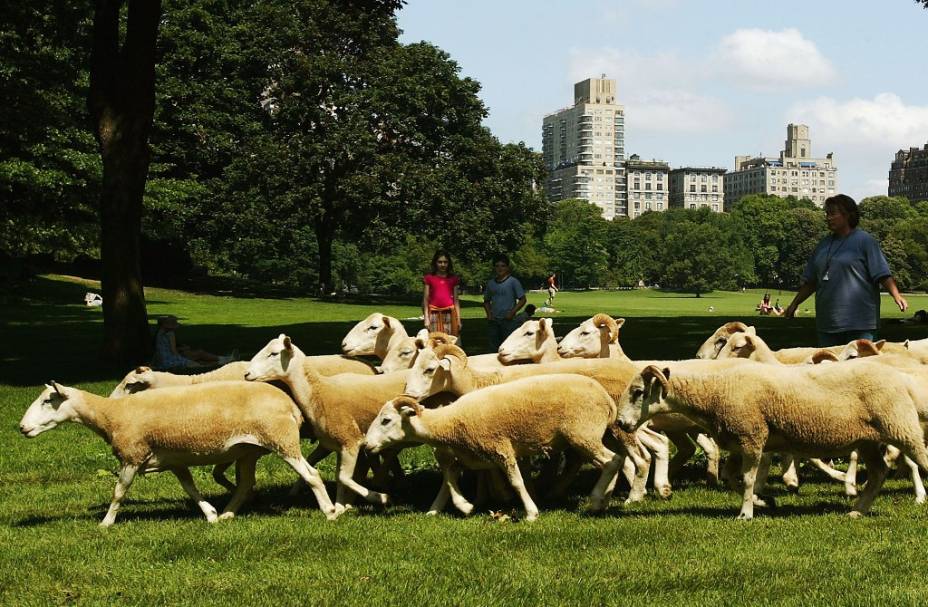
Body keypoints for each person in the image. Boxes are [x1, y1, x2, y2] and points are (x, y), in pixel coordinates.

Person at [784, 194, 908, 346]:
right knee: (829, 369)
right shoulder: (822, 245)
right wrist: (794, 304)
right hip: (827, 324)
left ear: (848, 215)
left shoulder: (865, 241)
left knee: (860, 369)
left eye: (833, 213)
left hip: (861, 324)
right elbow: (811, 282)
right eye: (827, 214)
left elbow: (882, 274)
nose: (828, 218)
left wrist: (897, 296)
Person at [483, 254, 526, 352]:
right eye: (497, 266)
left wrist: (512, 312)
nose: (500, 268)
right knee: (493, 348)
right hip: (494, 321)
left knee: (508, 347)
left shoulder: (513, 282)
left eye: (503, 266)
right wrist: (489, 314)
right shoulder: (491, 283)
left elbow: (523, 299)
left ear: (507, 267)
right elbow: (486, 301)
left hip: (508, 321)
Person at [152, 315, 227, 369]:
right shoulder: (170, 334)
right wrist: (183, 355)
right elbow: (173, 351)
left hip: (161, 360)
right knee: (198, 365)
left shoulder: (159, 332)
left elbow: (165, 348)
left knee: (198, 359)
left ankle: (222, 361)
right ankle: (222, 362)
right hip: (169, 361)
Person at [422, 249, 462, 337]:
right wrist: (426, 318)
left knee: (450, 341)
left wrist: (458, 319)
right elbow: (425, 299)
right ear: (435, 263)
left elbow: (456, 301)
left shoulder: (453, 279)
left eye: (445, 262)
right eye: (440, 262)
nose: (443, 265)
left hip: (449, 313)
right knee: (435, 340)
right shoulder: (429, 278)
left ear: (449, 263)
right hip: (433, 314)